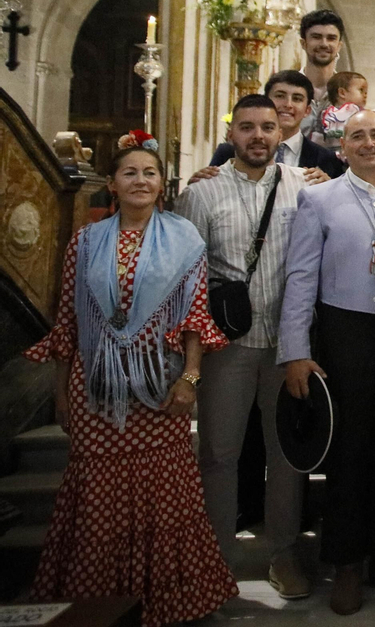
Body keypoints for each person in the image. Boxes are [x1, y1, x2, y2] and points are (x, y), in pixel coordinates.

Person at [26, 132, 237, 626]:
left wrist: (189, 380)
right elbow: (70, 320)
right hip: (94, 391)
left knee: (162, 499)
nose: (140, 180)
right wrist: (61, 393)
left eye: (149, 173)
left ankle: (165, 603)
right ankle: (99, 603)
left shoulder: (185, 239)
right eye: (129, 173)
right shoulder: (86, 240)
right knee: (97, 501)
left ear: (162, 185)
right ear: (112, 186)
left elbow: (195, 319)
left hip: (159, 389)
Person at [279, 111, 375, 614]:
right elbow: (300, 277)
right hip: (345, 333)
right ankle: (346, 563)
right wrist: (296, 351)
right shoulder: (318, 198)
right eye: (357, 136)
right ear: (342, 147)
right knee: (349, 448)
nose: (368, 143)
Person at [175, 94, 311, 597]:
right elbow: (187, 277)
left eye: (268, 127)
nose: (258, 136)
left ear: (282, 133)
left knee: (286, 457)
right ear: (231, 133)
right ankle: (216, 561)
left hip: (287, 344)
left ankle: (284, 554)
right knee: (219, 452)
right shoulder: (203, 194)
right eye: (248, 127)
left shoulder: (304, 188)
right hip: (226, 345)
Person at [209, 70, 344, 180]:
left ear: (307, 110)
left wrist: (329, 187)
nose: (288, 105)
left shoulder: (326, 159)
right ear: (266, 101)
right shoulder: (229, 151)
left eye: (297, 99)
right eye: (280, 96)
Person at [297, 9, 346, 129]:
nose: (324, 44)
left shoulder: (348, 92)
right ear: (303, 43)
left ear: (339, 46)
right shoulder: (285, 90)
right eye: (316, 37)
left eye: (331, 38)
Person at [310, 70, 368, 150]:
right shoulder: (325, 114)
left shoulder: (363, 115)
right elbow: (317, 137)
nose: (365, 95)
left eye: (366, 92)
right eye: (361, 90)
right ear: (342, 93)